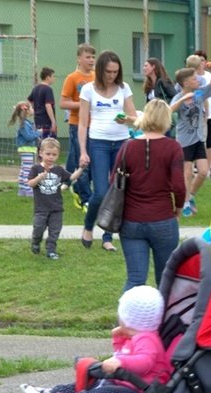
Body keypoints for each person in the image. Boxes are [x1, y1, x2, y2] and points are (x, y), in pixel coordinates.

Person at [20, 285, 171, 393]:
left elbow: (145, 362)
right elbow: (121, 352)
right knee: (85, 384)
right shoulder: (134, 338)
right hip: (121, 383)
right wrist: (118, 338)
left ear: (127, 317)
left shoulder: (147, 339)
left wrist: (121, 363)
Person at [115, 99, 185, 291]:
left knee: (135, 279)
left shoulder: (127, 147)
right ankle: (164, 321)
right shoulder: (173, 148)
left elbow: (114, 181)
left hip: (131, 220)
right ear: (166, 119)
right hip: (162, 218)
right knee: (165, 280)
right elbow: (179, 187)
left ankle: (126, 320)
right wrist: (178, 210)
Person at [78, 50, 137, 253]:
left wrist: (126, 120)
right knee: (101, 192)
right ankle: (88, 227)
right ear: (101, 70)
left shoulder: (124, 88)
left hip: (121, 143)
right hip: (98, 144)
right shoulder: (88, 90)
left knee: (117, 191)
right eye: (109, 71)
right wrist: (83, 151)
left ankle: (107, 236)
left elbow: (134, 117)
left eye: (115, 72)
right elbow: (83, 122)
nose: (112, 75)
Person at [28, 138, 84, 260]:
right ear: (41, 153)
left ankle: (51, 250)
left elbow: (71, 178)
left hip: (56, 208)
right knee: (38, 228)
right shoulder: (36, 168)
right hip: (41, 208)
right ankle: (36, 242)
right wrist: (39, 178)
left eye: (54, 155)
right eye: (48, 154)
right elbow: (30, 184)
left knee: (55, 231)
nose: (50, 157)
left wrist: (81, 169)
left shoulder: (59, 170)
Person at [60, 43, 96, 210]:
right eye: (88, 57)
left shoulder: (97, 76)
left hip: (96, 125)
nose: (91, 60)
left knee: (92, 161)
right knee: (83, 161)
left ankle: (73, 183)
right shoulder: (72, 78)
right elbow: (63, 103)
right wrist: (82, 104)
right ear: (79, 59)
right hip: (78, 125)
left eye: (93, 57)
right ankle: (85, 198)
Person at [170, 67, 208, 218]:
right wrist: (182, 100)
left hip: (198, 139)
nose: (197, 80)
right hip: (184, 142)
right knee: (187, 173)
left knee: (203, 172)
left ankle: (190, 195)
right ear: (186, 83)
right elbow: (169, 109)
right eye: (194, 78)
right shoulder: (178, 96)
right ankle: (185, 203)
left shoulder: (199, 93)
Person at [193, 51, 211, 178]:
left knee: (209, 139)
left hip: (210, 111)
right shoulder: (192, 77)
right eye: (199, 60)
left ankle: (208, 165)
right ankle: (198, 164)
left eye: (203, 60)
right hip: (198, 112)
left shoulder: (208, 76)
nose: (201, 62)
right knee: (198, 139)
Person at [8, 101, 40, 197]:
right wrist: (38, 133)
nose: (33, 110)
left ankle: (22, 189)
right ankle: (28, 189)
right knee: (28, 170)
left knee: (24, 169)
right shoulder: (24, 124)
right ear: (26, 111)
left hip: (26, 149)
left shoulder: (27, 123)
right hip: (27, 150)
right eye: (31, 108)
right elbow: (29, 137)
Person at [28, 66, 57, 140]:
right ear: (48, 78)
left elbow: (29, 100)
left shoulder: (36, 88)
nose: (54, 79)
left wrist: (32, 110)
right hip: (46, 122)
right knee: (49, 144)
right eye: (53, 76)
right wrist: (53, 122)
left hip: (37, 121)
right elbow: (48, 105)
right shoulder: (48, 89)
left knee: (40, 144)